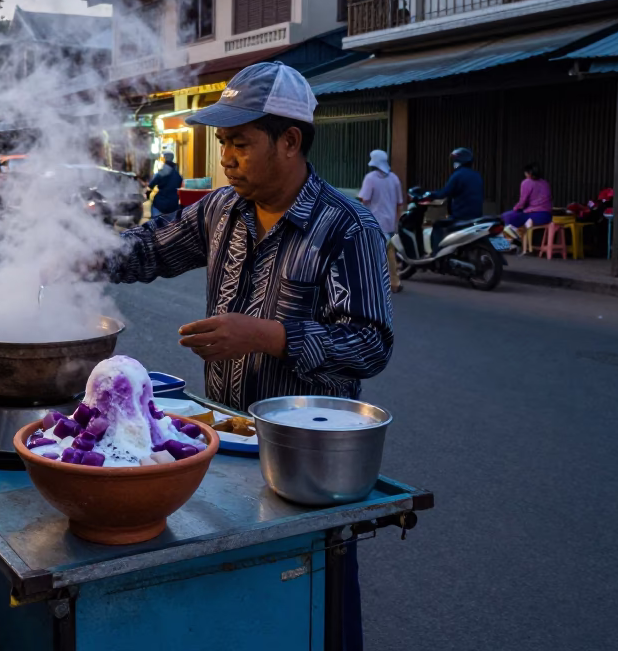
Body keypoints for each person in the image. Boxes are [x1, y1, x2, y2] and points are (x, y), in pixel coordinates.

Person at [89, 62, 391, 648]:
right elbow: (150, 250)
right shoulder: (221, 209)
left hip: (305, 464)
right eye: (222, 142)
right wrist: (84, 253)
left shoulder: (347, 227)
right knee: (225, 608)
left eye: (240, 143)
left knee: (311, 610)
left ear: (290, 141)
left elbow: (369, 344)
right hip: (220, 445)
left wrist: (267, 335)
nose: (226, 157)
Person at [357, 149, 404, 293]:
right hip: (389, 223)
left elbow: (364, 200)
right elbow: (399, 203)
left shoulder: (370, 178)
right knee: (390, 253)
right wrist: (396, 222)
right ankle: (394, 282)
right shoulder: (394, 178)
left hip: (374, 222)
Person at [501, 162, 553, 233]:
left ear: (528, 173)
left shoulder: (527, 182)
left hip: (535, 217)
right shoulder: (545, 183)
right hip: (547, 216)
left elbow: (522, 203)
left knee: (506, 216)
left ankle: (513, 240)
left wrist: (515, 208)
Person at [146, 151, 183, 217]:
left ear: (164, 159)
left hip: (160, 204)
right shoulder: (178, 175)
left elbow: (150, 187)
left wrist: (147, 195)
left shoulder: (161, 173)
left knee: (155, 224)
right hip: (173, 205)